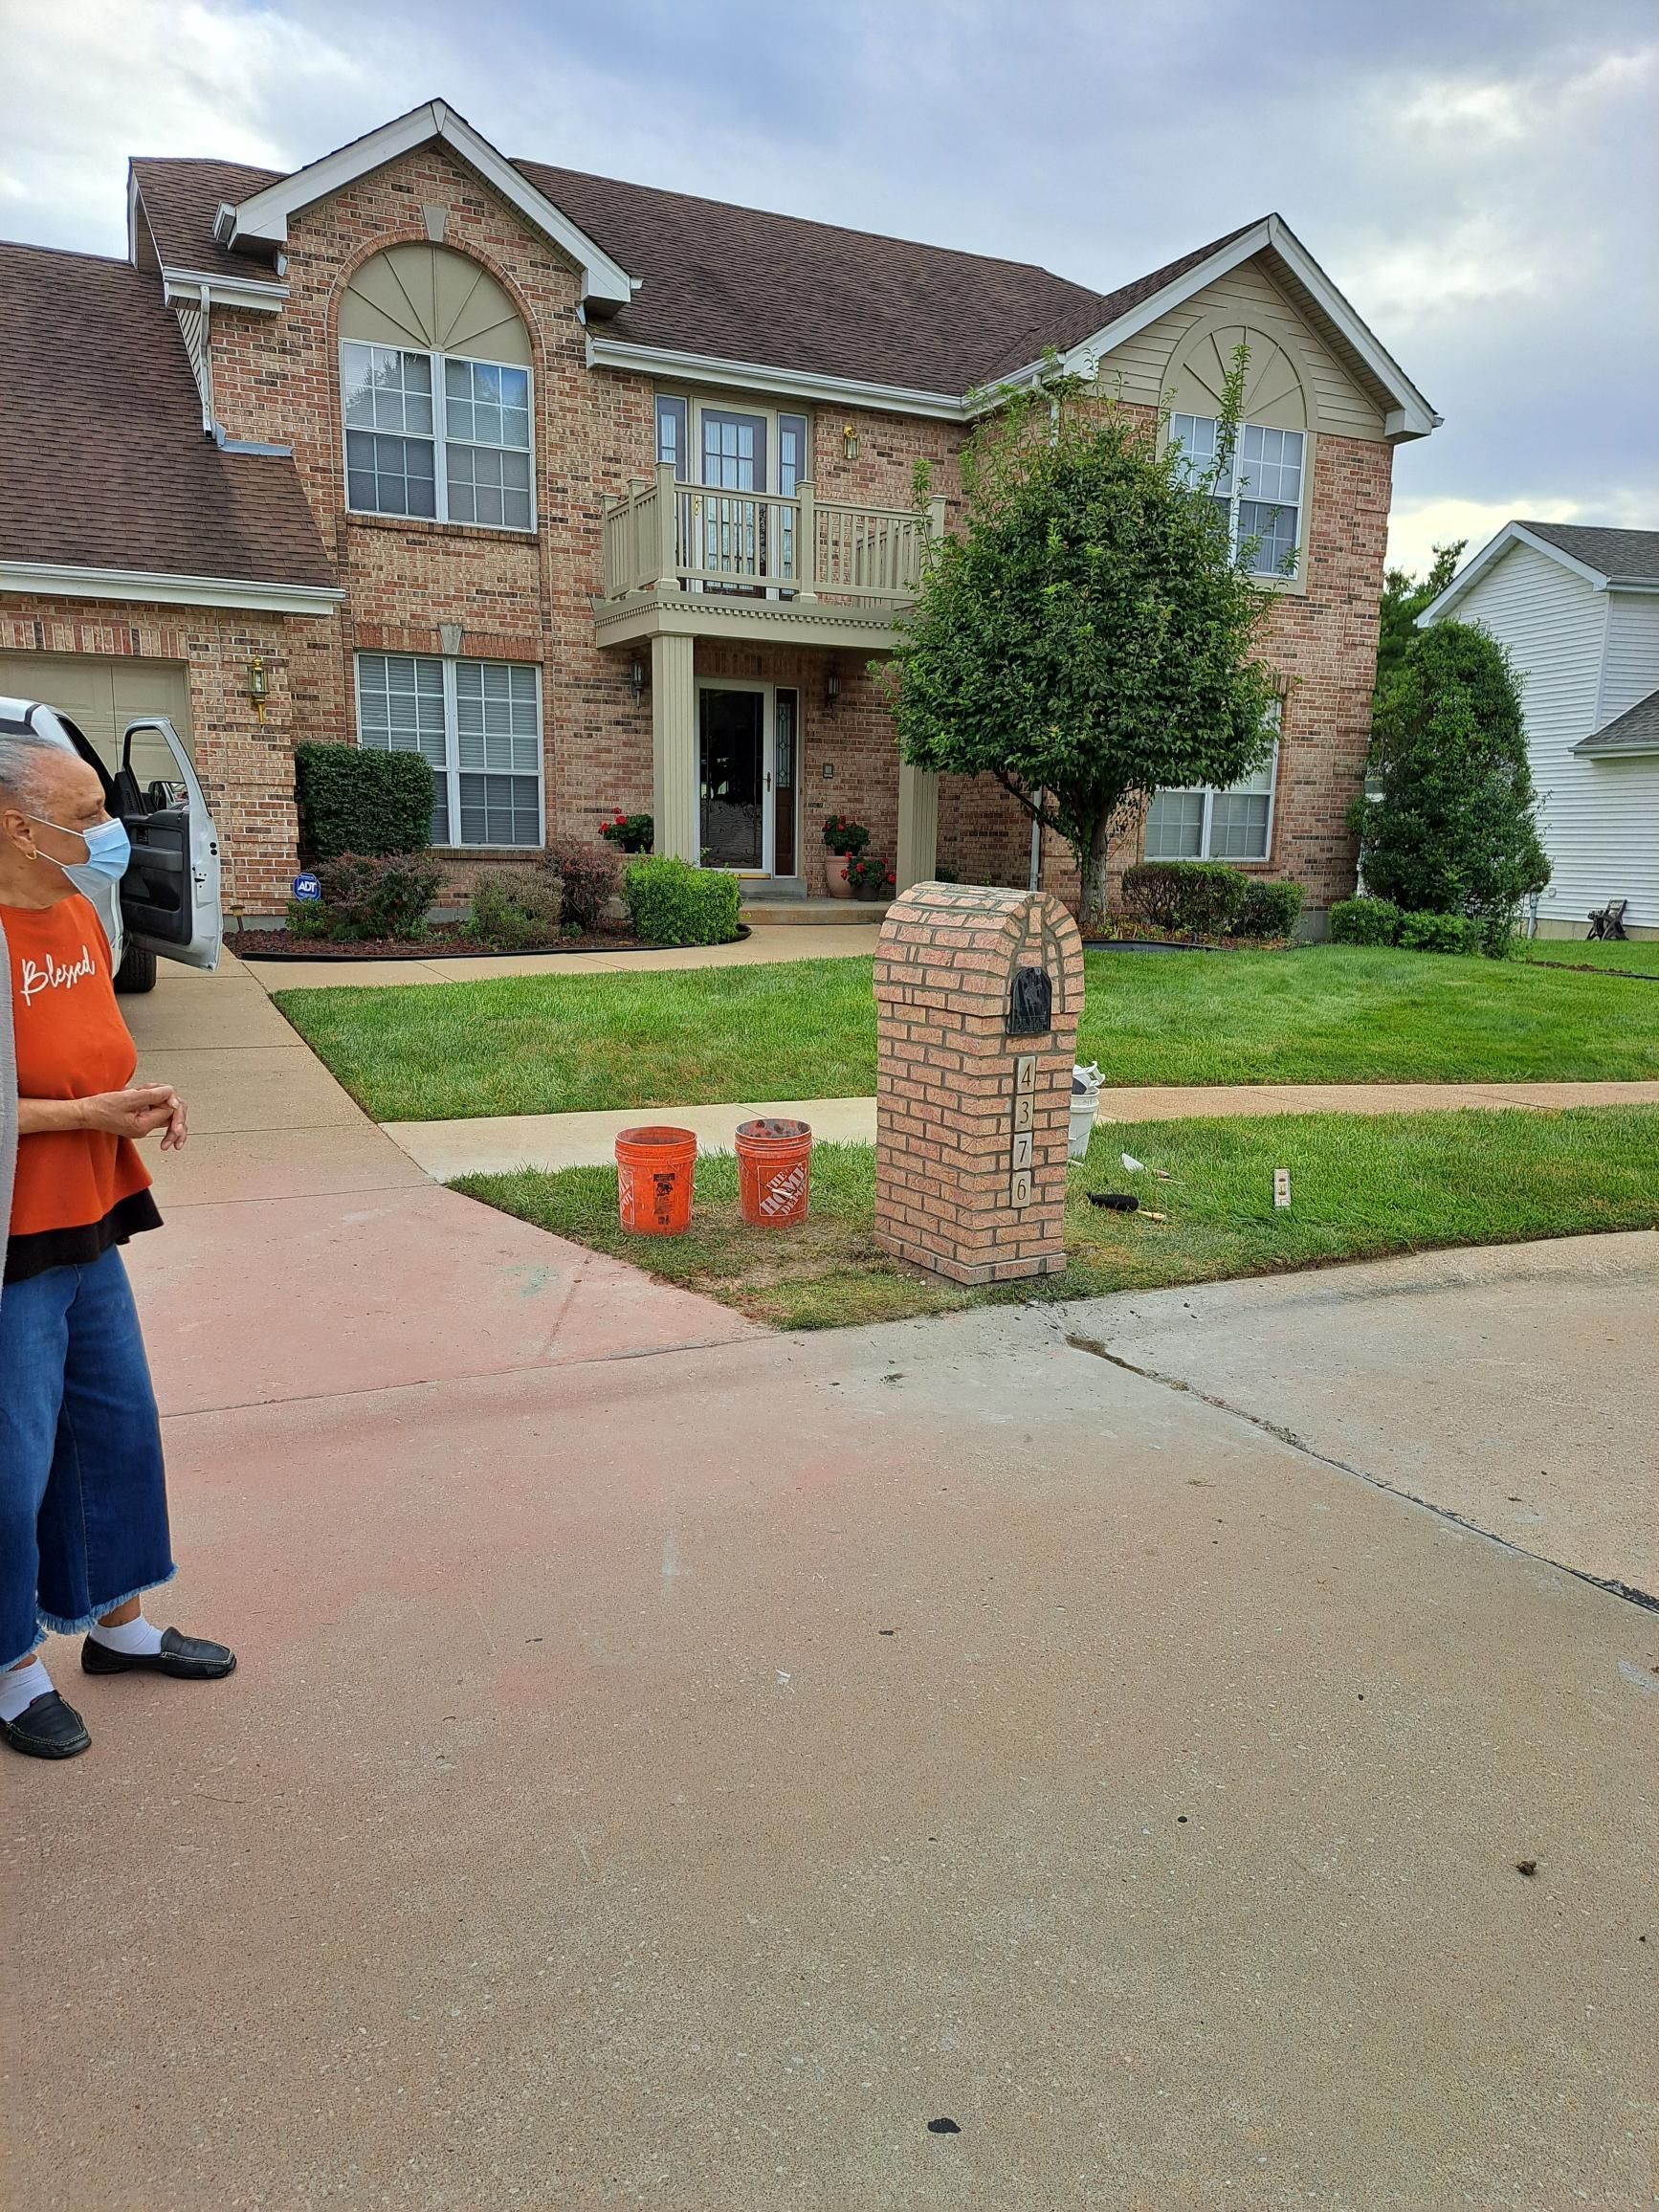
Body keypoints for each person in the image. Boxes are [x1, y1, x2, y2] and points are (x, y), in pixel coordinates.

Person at [0, 720, 234, 1760]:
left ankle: (118, 1621)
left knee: (115, 1425)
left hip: (88, 1215)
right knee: (11, 1460)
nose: (110, 831)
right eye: (86, 814)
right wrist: (83, 1114)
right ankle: (10, 1667)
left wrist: (137, 1099)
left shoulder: (80, 913)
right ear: (17, 825)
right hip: (10, 1234)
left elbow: (90, 1053)